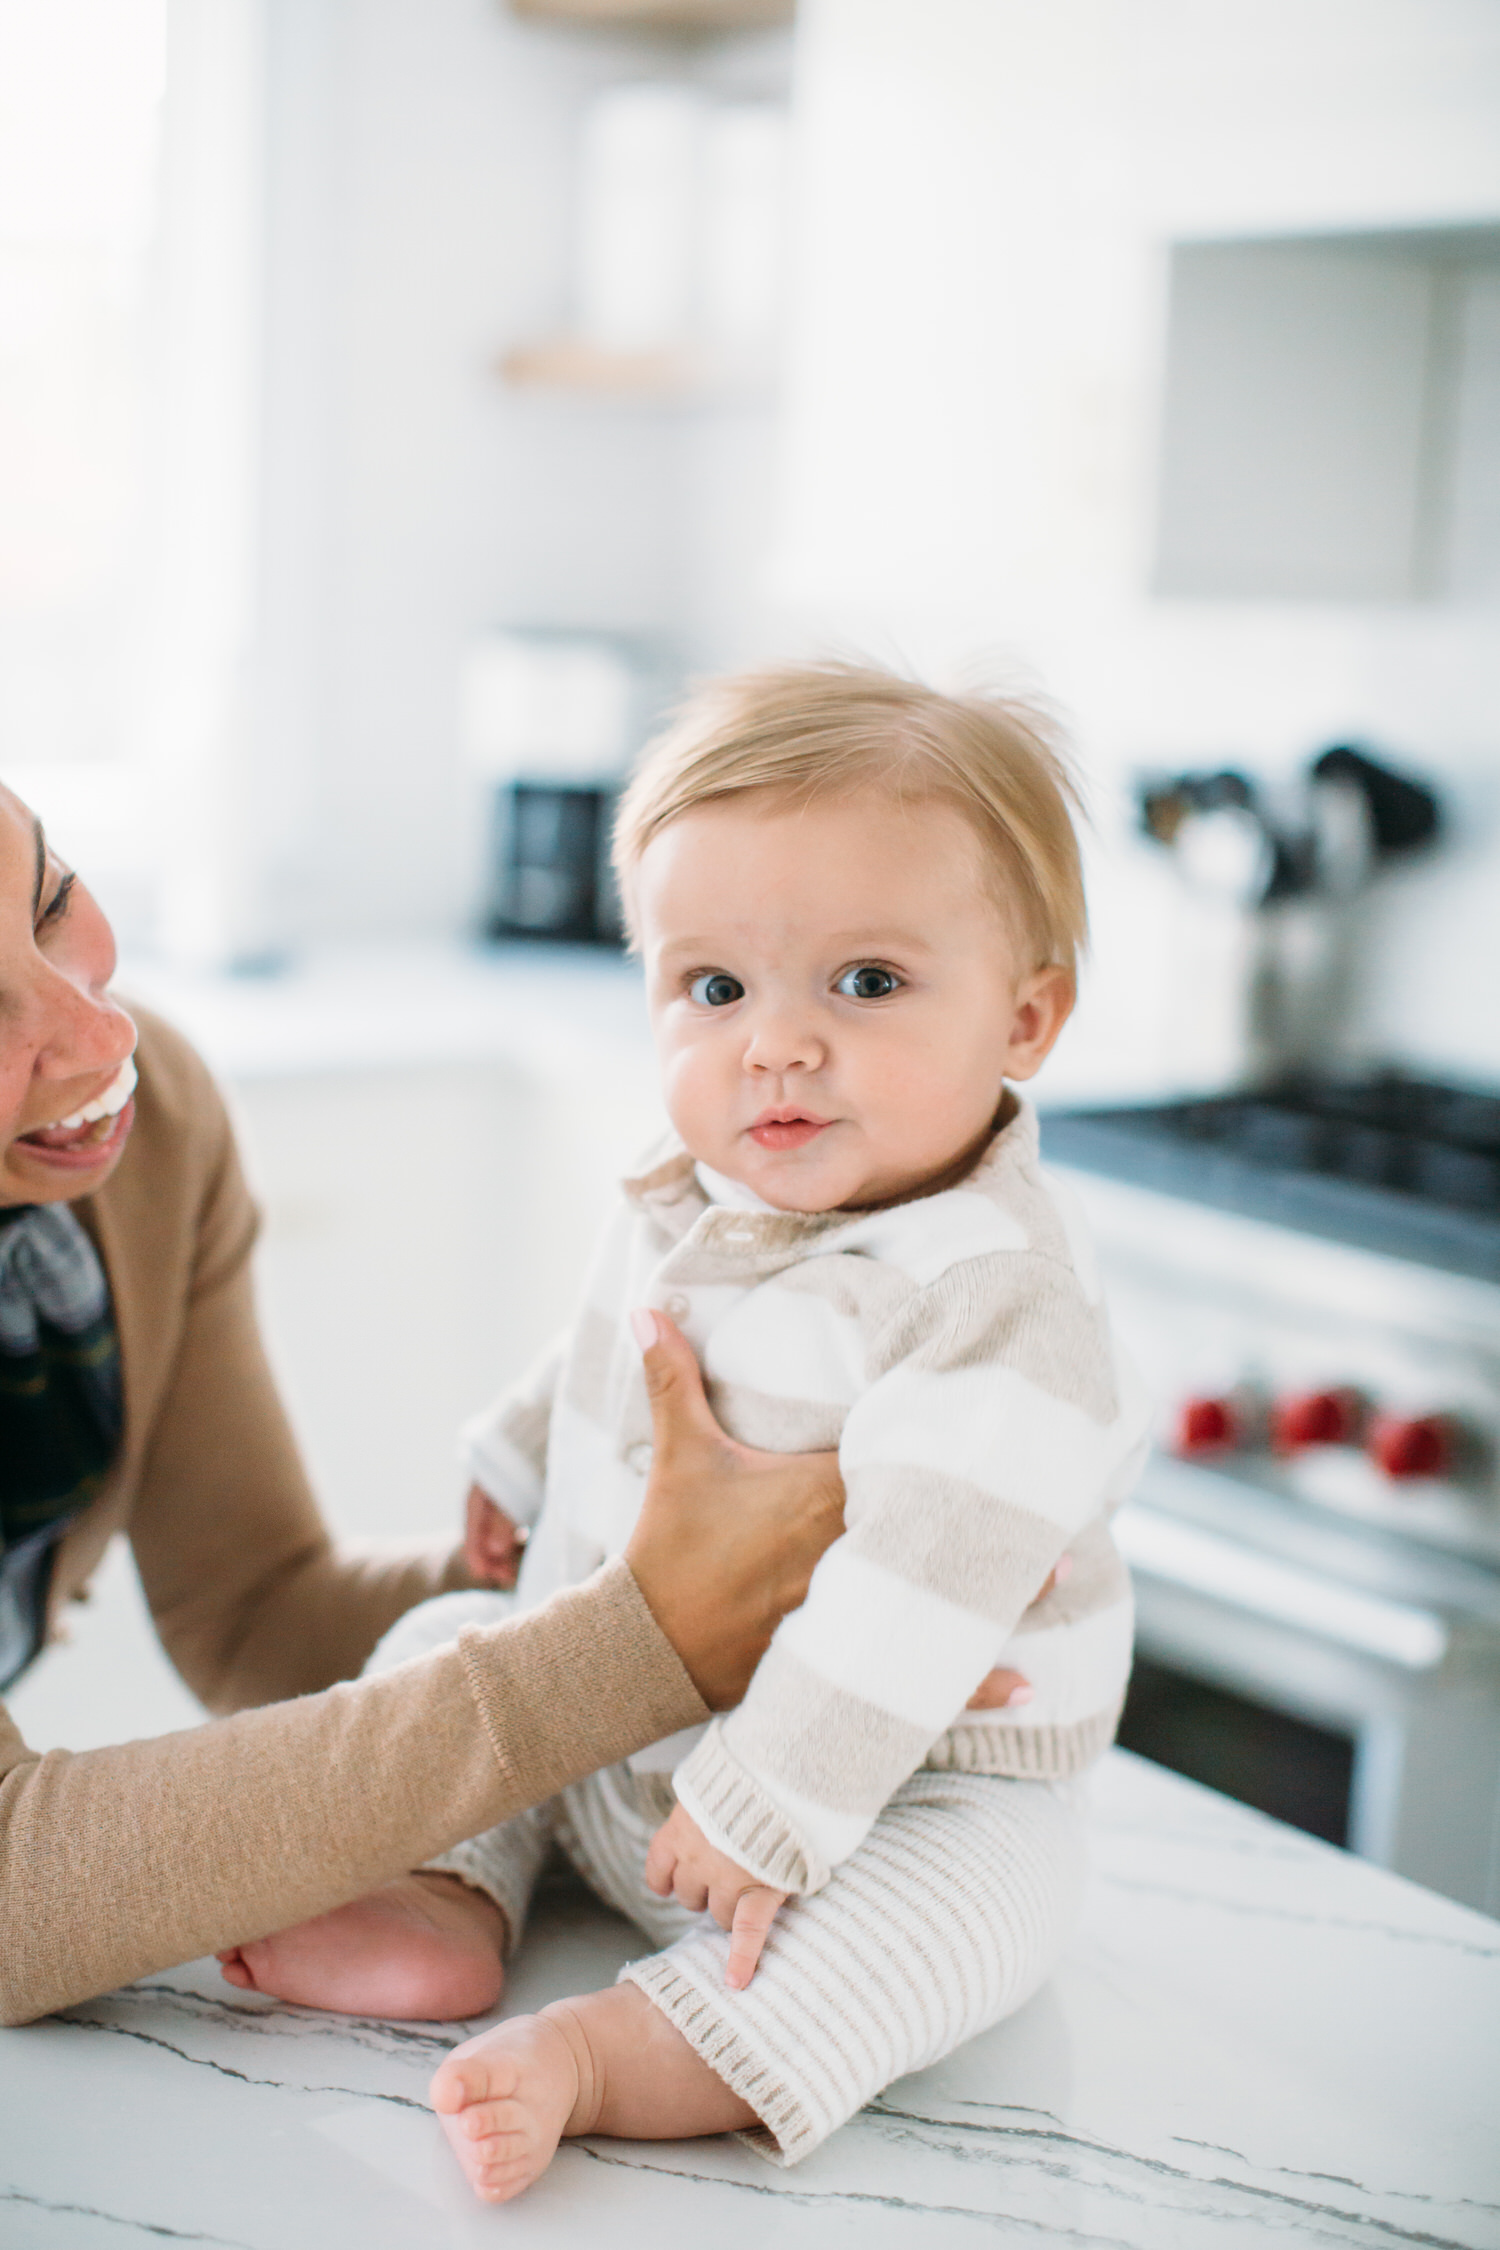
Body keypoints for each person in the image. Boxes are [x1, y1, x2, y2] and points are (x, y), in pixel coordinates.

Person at [230, 660, 1146, 2202]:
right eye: (715, 988)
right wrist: (520, 1450)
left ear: (1028, 1015)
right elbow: (622, 1342)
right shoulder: (695, 1184)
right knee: (454, 1641)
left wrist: (774, 1796)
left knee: (980, 1907)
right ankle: (446, 1885)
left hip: (889, 1789)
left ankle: (616, 2051)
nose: (774, 1044)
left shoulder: (991, 1297)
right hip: (627, 1725)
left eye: (864, 982)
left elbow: (918, 1583)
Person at [0, 776, 858, 2028]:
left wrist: (622, 1550)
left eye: (50, 899)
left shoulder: (150, 1128)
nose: (99, 1038)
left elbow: (253, 1609)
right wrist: (640, 1640)